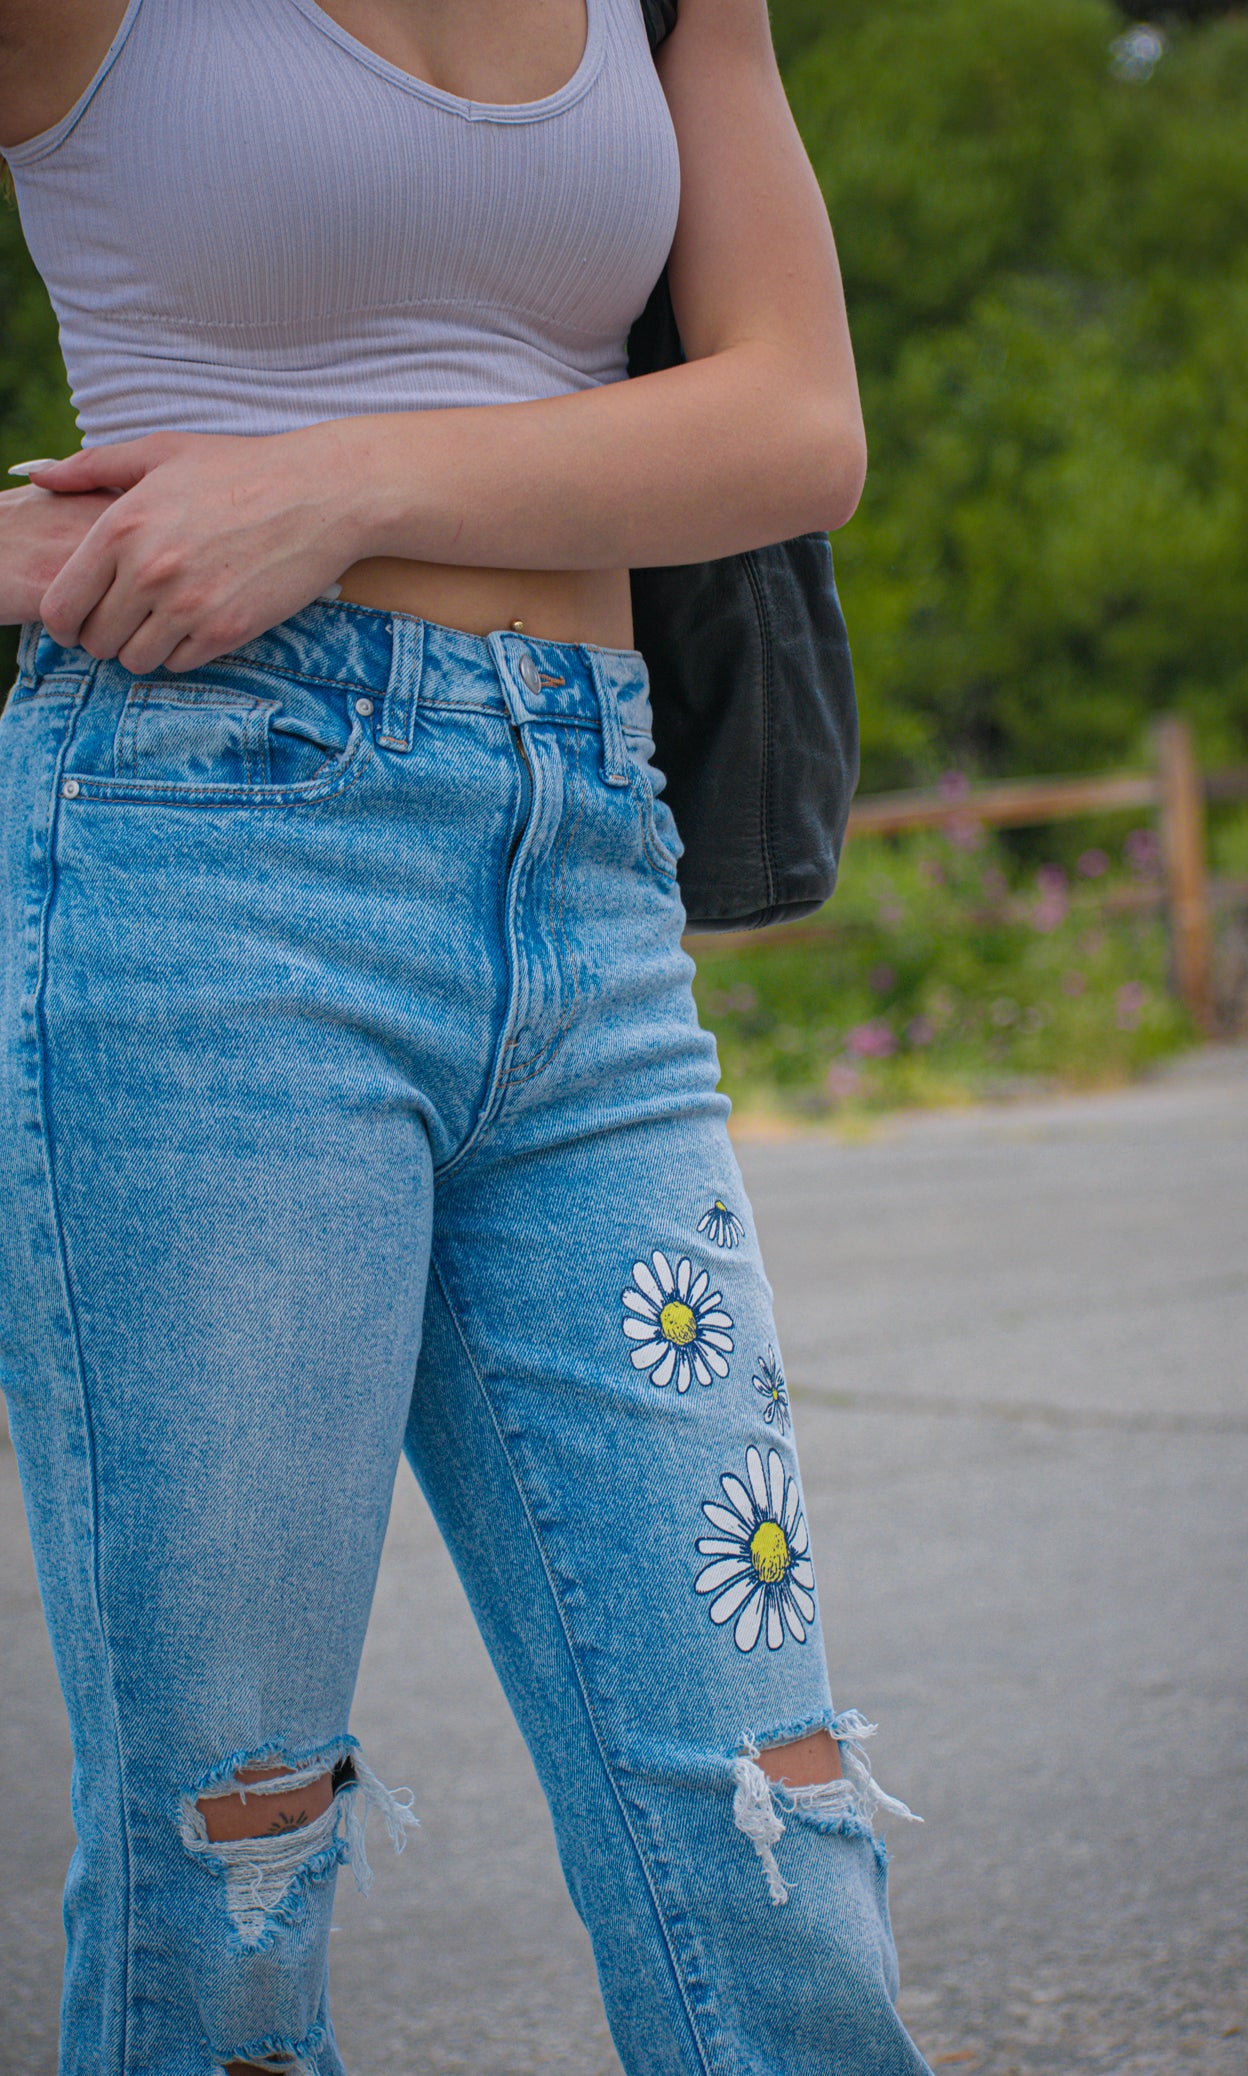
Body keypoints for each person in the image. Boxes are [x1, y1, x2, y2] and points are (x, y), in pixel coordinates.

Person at [0, 3, 931, 2071]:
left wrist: (329, 483)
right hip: (200, 890)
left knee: (764, 1811)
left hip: (586, 883)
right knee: (230, 1840)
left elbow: (794, 423)